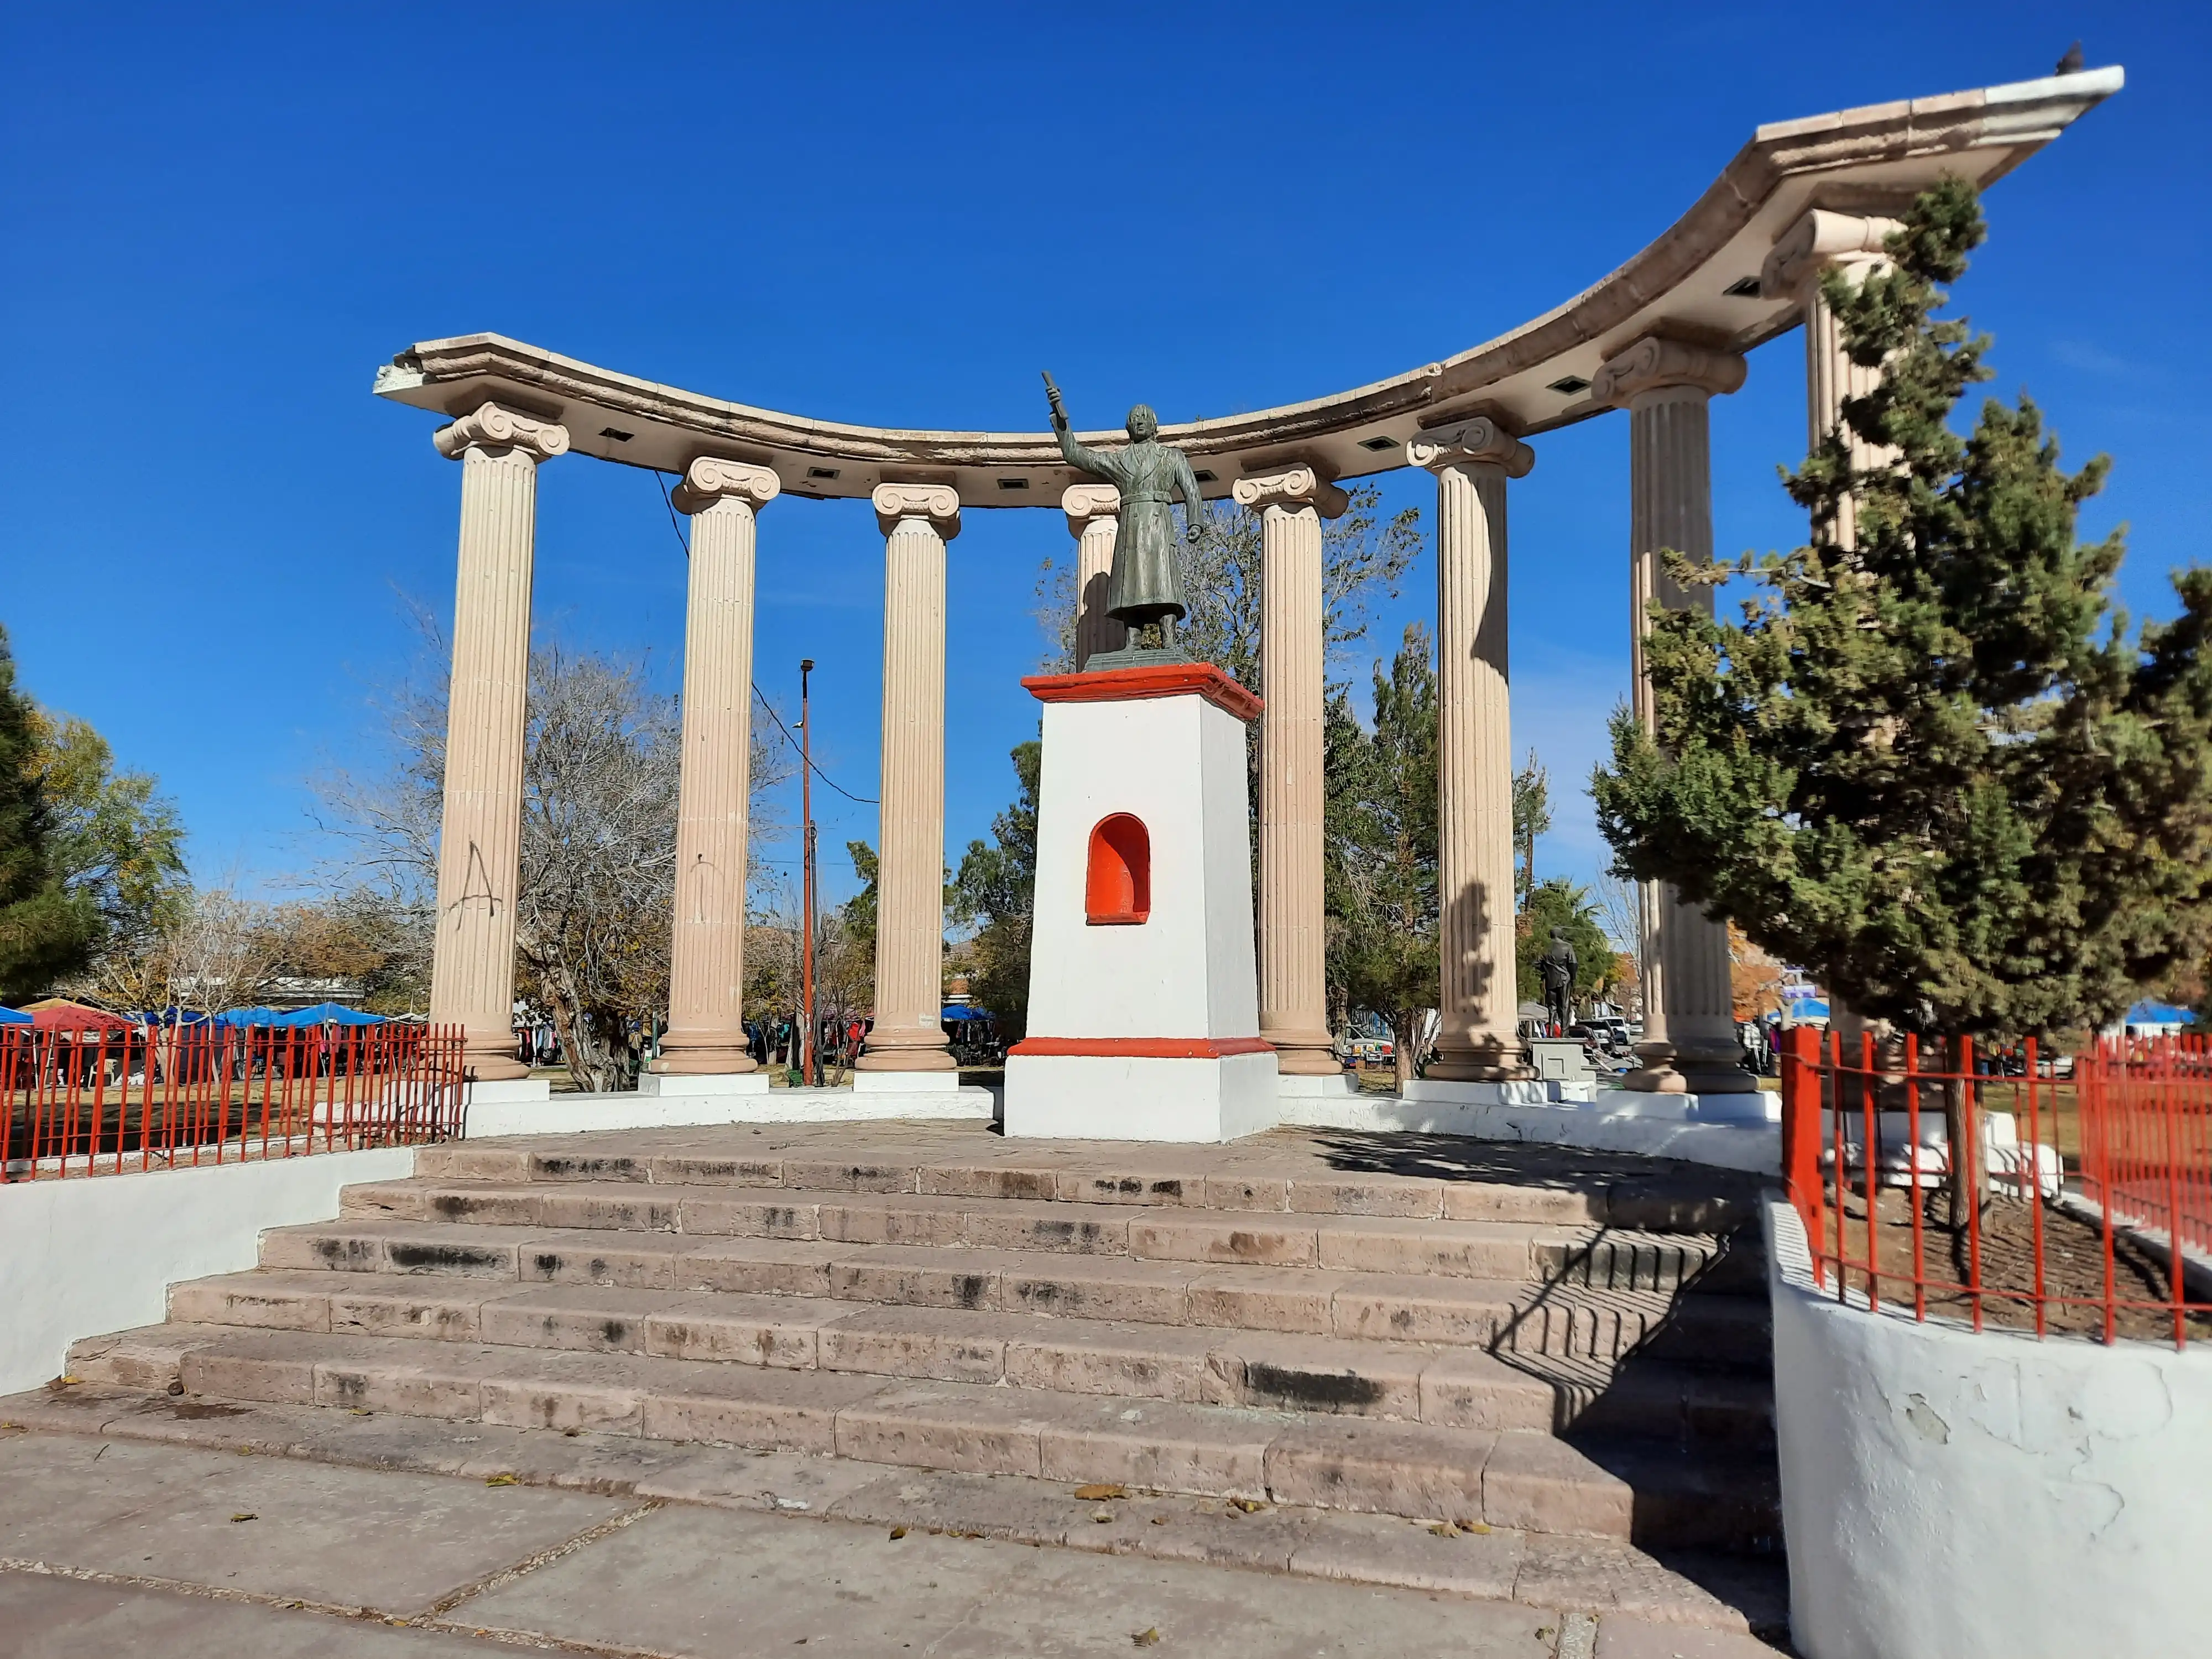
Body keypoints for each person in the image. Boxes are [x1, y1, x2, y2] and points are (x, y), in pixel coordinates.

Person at [1050, 400, 1206, 649]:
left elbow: (1192, 490)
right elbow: (1076, 455)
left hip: (1159, 524)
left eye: (1145, 417)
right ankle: (1132, 640)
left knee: (1162, 580)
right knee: (1132, 582)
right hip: (1131, 527)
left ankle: (1169, 639)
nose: (1140, 421)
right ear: (1128, 427)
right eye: (1135, 418)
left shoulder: (1172, 457)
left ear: (1155, 425)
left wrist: (1195, 522)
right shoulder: (1119, 460)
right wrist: (1061, 423)